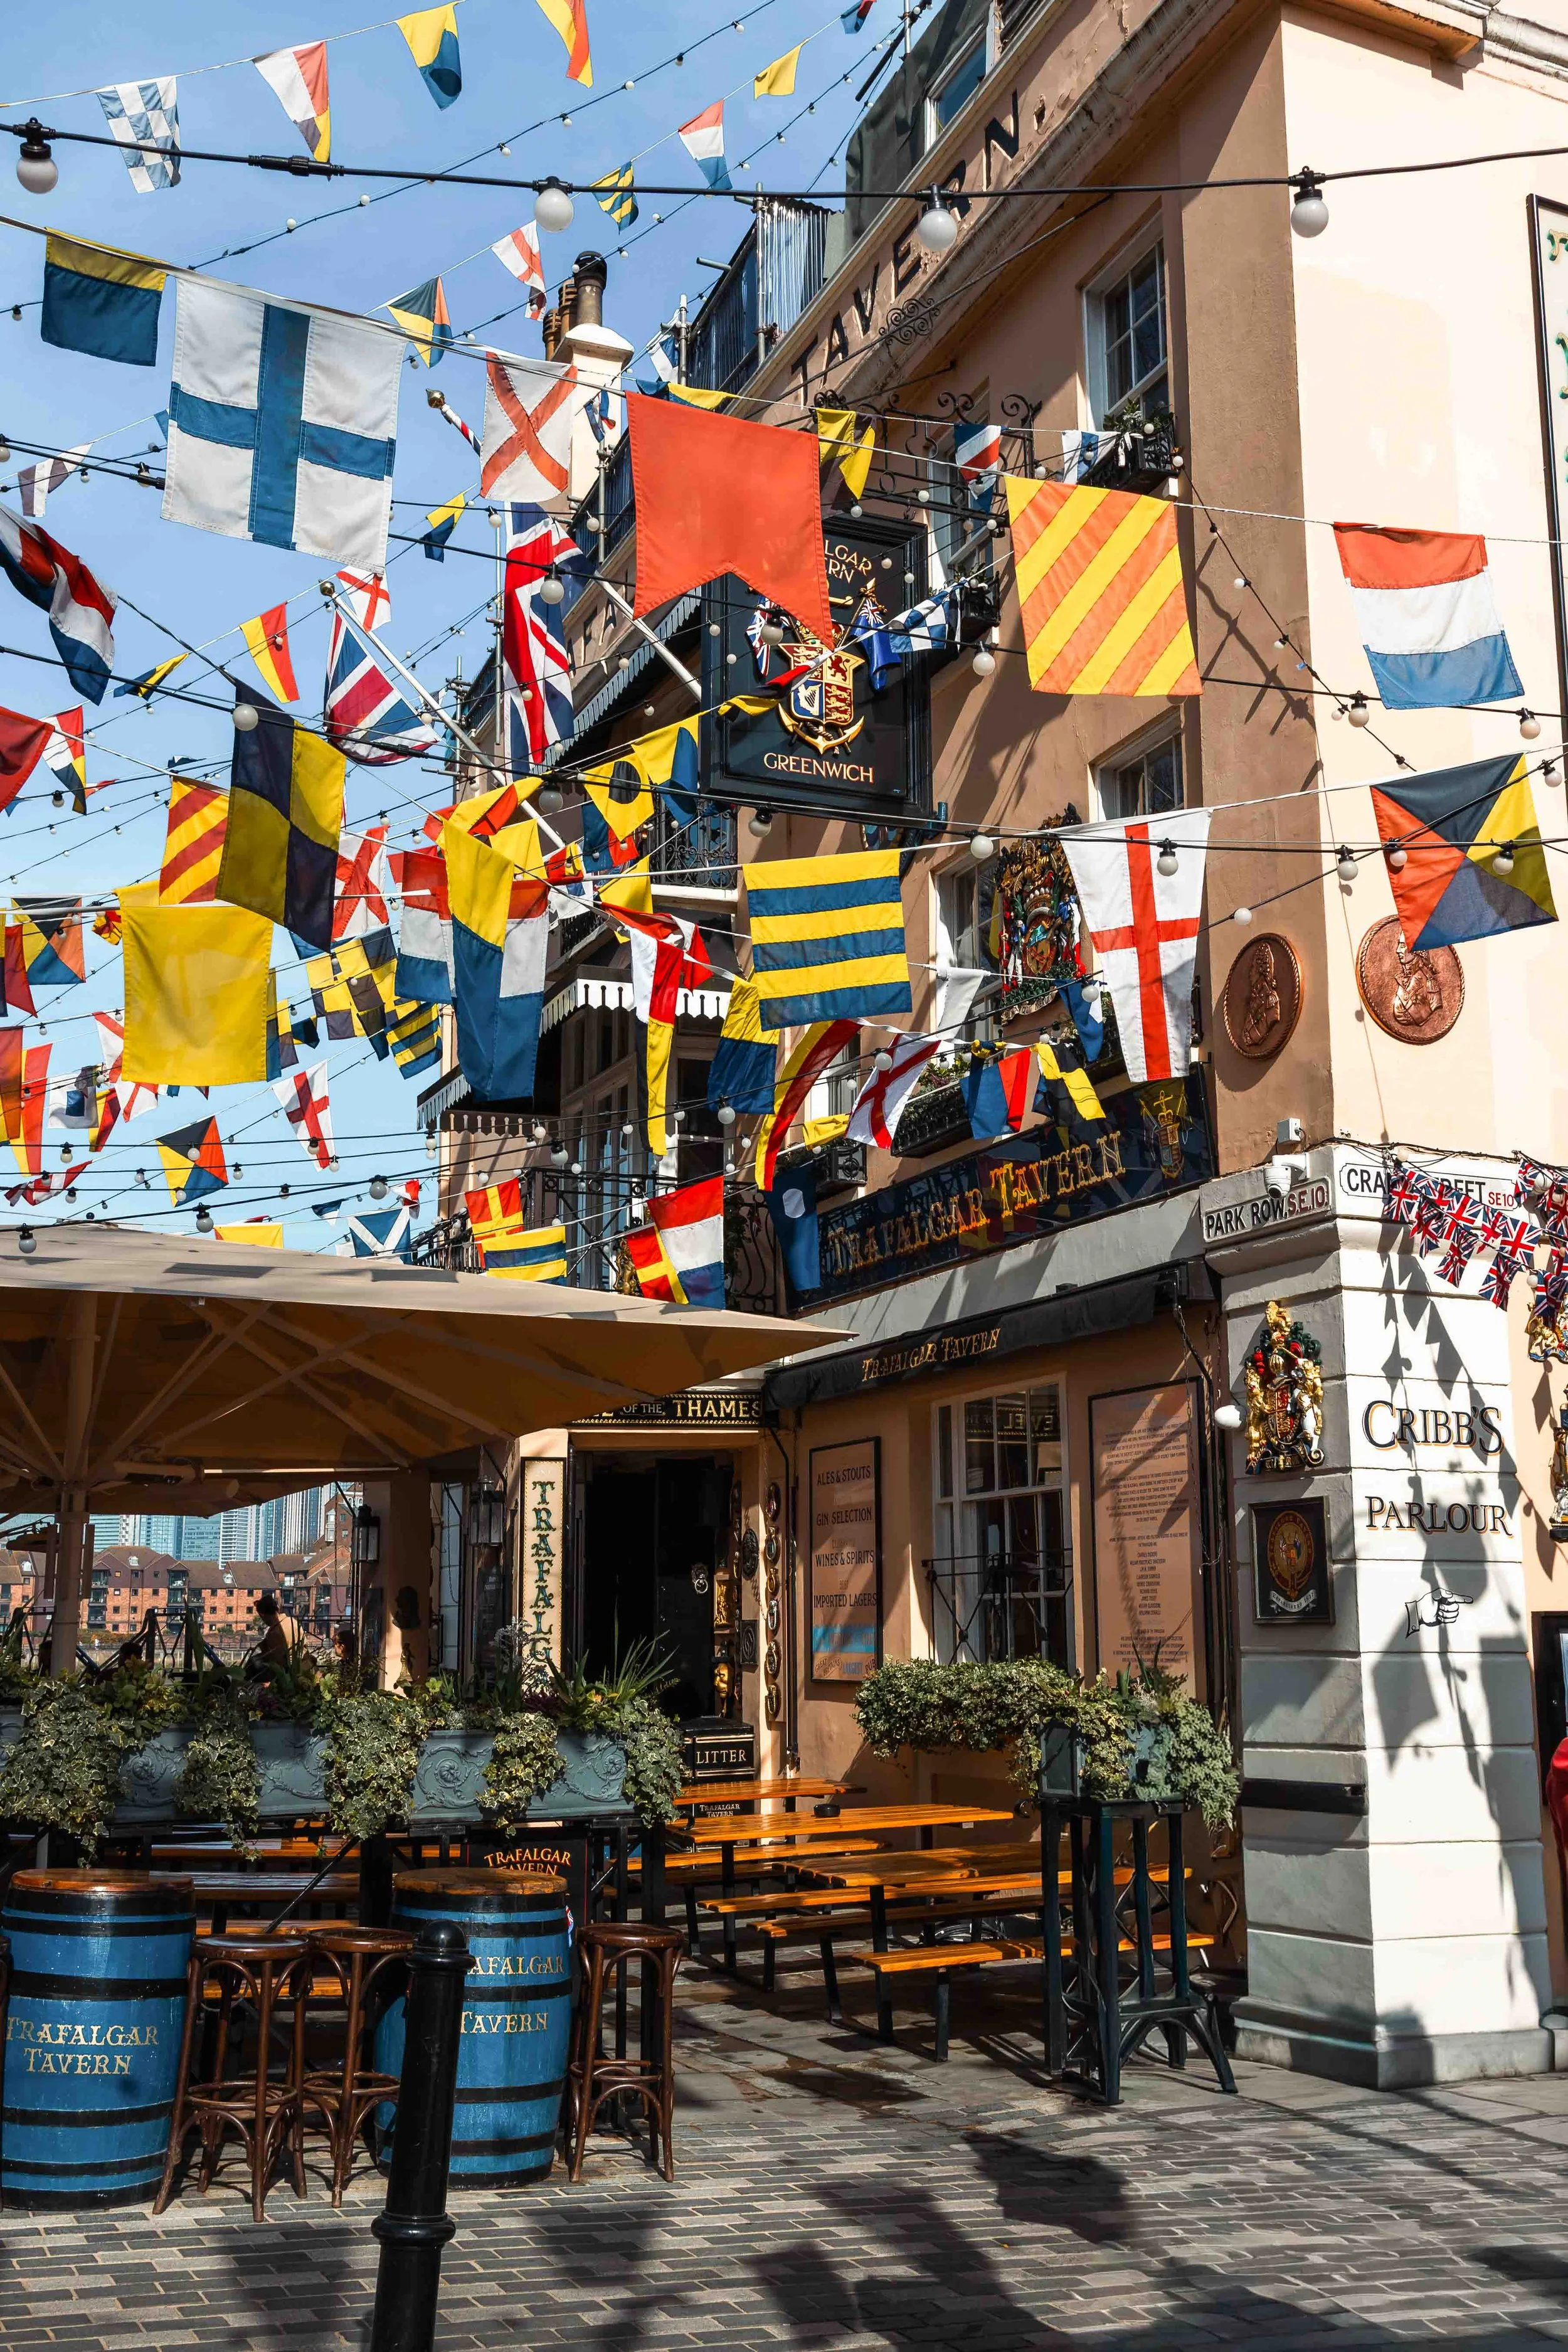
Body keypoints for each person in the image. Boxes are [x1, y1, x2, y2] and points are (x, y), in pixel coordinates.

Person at [253, 1589, 300, 1667]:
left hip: (289, 1672)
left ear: (263, 1615)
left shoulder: (274, 1632)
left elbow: (277, 1661)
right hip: (303, 1666)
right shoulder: (293, 1622)